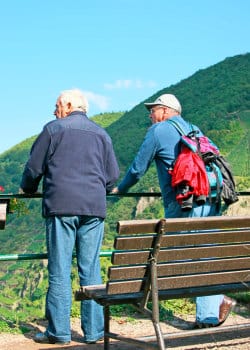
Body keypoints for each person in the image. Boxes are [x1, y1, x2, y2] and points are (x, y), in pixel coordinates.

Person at [112, 93, 235, 328]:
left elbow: (138, 169)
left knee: (184, 255)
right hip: (209, 199)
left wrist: (120, 189)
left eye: (154, 110)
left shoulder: (158, 132)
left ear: (166, 111)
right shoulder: (194, 129)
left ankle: (208, 316)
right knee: (204, 252)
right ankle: (216, 302)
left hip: (184, 203)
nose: (150, 114)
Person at [20, 89, 119, 344]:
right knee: (91, 270)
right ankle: (94, 332)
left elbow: (33, 169)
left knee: (60, 270)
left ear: (68, 105)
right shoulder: (102, 134)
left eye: (56, 106)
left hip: (61, 207)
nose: (54, 111)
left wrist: (27, 190)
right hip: (94, 209)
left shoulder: (53, 130)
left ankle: (59, 332)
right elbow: (112, 177)